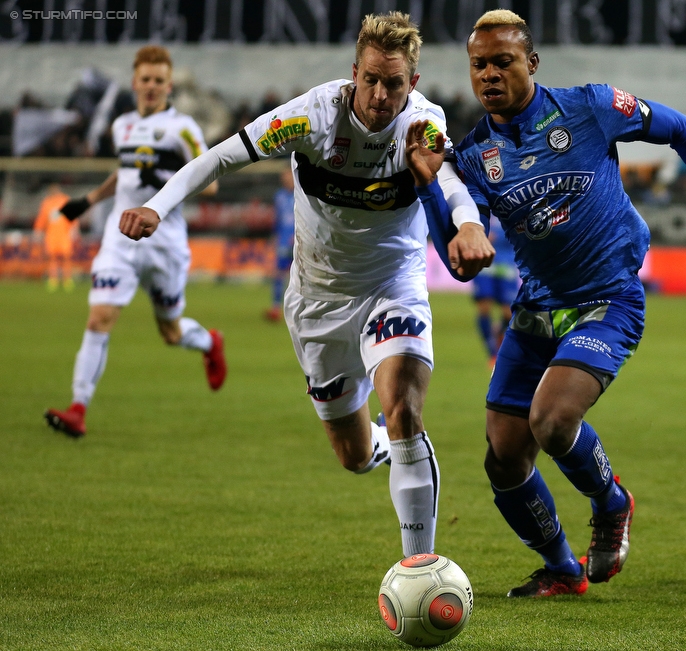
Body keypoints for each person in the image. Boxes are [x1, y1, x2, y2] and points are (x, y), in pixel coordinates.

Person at [117, 12, 495, 559]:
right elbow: (223, 156)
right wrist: (156, 207)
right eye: (371, 79)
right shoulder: (310, 117)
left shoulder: (423, 123)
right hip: (317, 300)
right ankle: (385, 446)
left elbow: (451, 180)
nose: (381, 93)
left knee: (405, 410)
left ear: (412, 83)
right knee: (353, 454)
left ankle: (420, 566)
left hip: (393, 284)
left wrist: (468, 225)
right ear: (354, 73)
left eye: (394, 82)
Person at [448, 10, 686, 598]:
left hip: (608, 298)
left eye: (503, 61)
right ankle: (561, 568)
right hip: (537, 307)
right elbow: (456, 237)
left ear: (532, 63)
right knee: (503, 459)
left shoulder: (589, 107)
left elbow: (681, 128)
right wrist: (446, 208)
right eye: (479, 65)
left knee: (552, 421)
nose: (490, 75)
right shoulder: (475, 155)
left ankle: (611, 502)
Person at [44, 45, 226, 439]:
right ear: (134, 82)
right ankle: (78, 408)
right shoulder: (122, 125)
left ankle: (210, 342)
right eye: (145, 79)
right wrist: (88, 200)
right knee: (99, 318)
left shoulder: (183, 129)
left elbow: (210, 183)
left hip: (164, 242)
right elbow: (126, 173)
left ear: (168, 84)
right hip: (120, 240)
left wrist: (166, 171)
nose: (151, 86)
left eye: (159, 80)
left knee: (171, 333)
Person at [472, 214, 518, 362]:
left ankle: (499, 336)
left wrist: (497, 235)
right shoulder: (480, 198)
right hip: (484, 261)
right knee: (484, 306)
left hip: (507, 262)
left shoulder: (511, 200)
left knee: (508, 312)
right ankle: (491, 352)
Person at [32, 182, 76, 292]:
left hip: (64, 234)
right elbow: (42, 218)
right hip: (51, 235)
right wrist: (38, 230)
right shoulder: (47, 203)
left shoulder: (65, 200)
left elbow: (72, 215)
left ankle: (67, 279)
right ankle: (53, 279)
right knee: (52, 258)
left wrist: (74, 229)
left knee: (66, 257)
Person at [265, 167, 296, 322]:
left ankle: (296, 308)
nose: (286, 179)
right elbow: (277, 219)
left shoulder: (301, 195)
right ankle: (275, 307)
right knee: (278, 274)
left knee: (298, 276)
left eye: (288, 176)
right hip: (283, 240)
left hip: (299, 242)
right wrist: (275, 237)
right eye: (284, 176)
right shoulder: (279, 196)